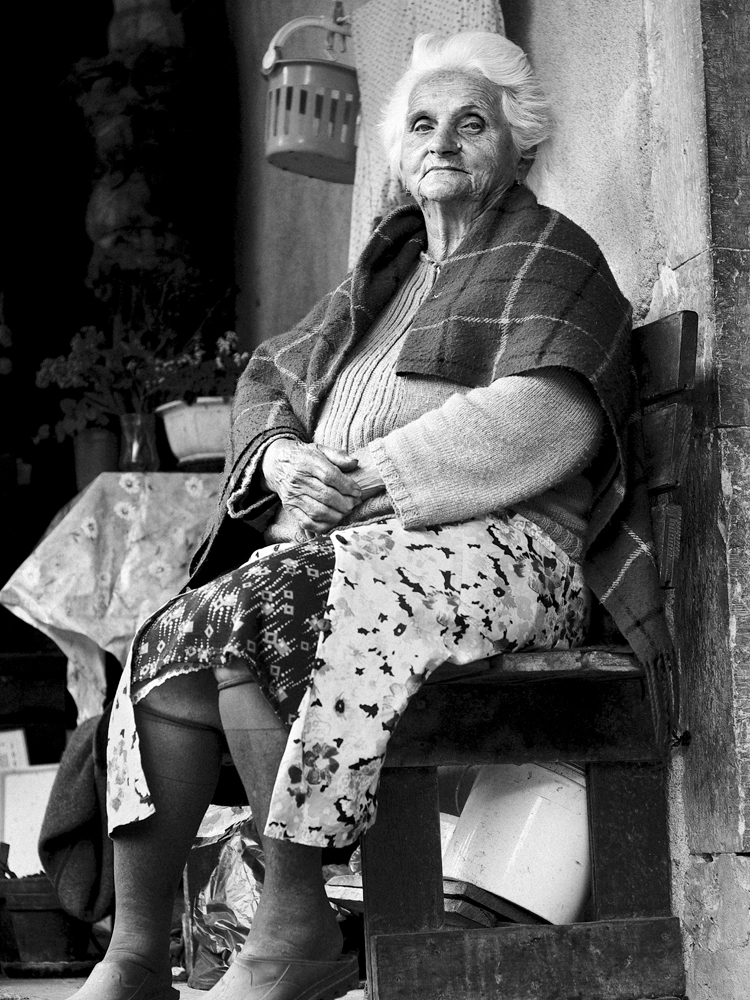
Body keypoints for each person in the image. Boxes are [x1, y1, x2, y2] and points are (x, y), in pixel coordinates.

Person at [69, 30, 674, 1000]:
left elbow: (550, 417)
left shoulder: (554, 258)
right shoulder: (383, 277)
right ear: (399, 149)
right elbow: (268, 379)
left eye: (472, 122)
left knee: (275, 602)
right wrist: (284, 459)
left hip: (514, 559)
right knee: (171, 637)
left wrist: (367, 478)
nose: (445, 141)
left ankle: (292, 928)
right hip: (365, 557)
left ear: (519, 143)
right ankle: (136, 954)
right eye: (424, 124)